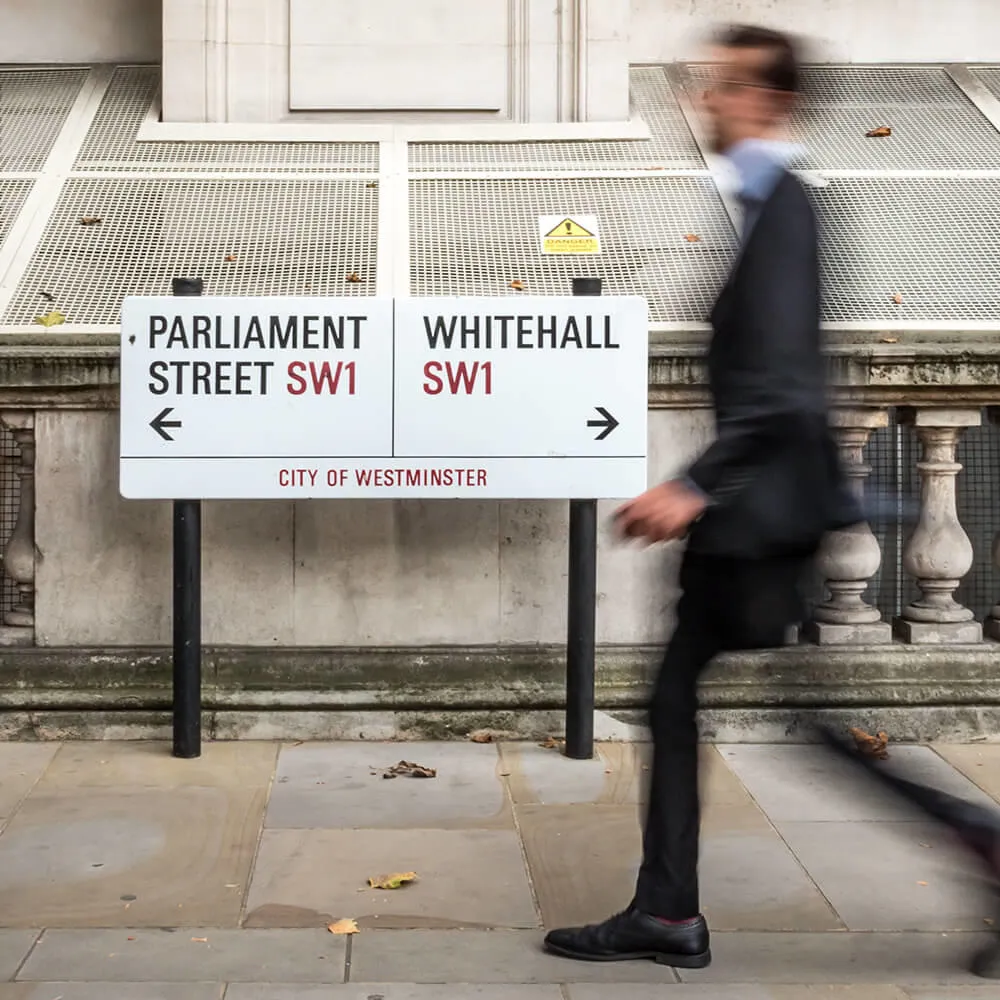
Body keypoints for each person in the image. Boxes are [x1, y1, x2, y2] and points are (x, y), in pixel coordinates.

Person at [542, 24, 862, 969]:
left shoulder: (786, 210)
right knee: (709, 699)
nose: (703, 102)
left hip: (758, 518)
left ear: (768, 103)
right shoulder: (767, 206)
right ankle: (667, 908)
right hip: (764, 512)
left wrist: (692, 485)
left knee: (689, 695)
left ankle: (669, 912)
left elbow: (785, 391)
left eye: (721, 87)